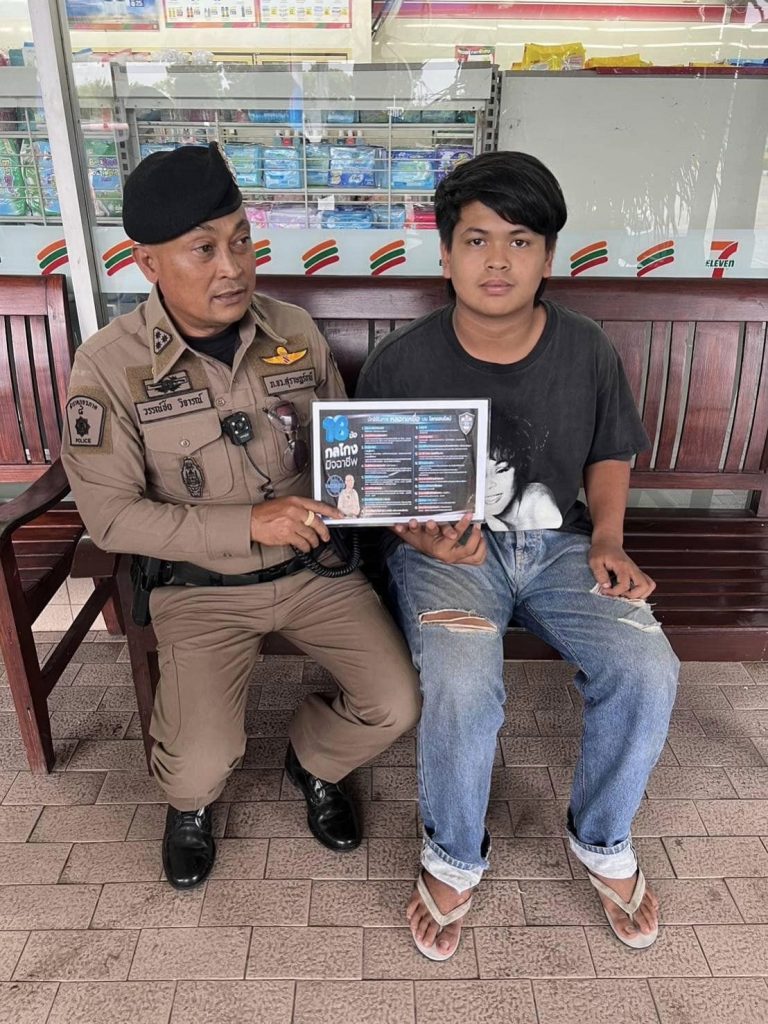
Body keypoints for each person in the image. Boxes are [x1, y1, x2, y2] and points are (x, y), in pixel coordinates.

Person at [61, 143, 420, 890]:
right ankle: (189, 806)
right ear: (147, 262)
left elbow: (343, 451)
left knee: (395, 703)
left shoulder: (293, 330)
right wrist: (247, 524)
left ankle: (313, 761)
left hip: (314, 570)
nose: (232, 267)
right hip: (200, 589)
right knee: (198, 766)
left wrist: (405, 493)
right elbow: (111, 518)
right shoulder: (109, 367)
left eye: (241, 240)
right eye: (203, 249)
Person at [356, 150, 679, 960]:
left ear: (549, 255)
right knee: (463, 675)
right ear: (445, 254)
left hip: (566, 547)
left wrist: (609, 538)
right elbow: (379, 492)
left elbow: (610, 451)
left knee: (647, 665)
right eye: (476, 240)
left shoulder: (586, 348)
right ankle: (453, 854)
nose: (497, 261)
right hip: (449, 556)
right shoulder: (402, 361)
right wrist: (416, 534)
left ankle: (602, 836)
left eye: (520, 241)